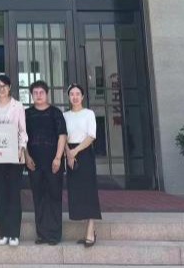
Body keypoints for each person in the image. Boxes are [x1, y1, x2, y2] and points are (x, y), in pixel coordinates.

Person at [23, 80, 67, 246]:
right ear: (31, 95)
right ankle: (41, 234)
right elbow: (22, 138)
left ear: (47, 94)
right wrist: (27, 157)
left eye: (41, 92)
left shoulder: (55, 113)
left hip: (53, 161)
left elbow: (62, 135)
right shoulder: (27, 114)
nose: (38, 95)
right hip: (34, 162)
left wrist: (58, 157)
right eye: (35, 93)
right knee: (38, 197)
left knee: (54, 196)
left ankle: (54, 235)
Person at [0, 74, 27, 247]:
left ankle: (14, 234)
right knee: (1, 195)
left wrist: (21, 149)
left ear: (9, 88)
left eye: (4, 86)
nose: (1, 89)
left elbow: (23, 131)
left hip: (15, 156)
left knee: (14, 194)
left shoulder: (18, 106)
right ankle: (4, 233)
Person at [64, 83, 102, 247]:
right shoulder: (65, 115)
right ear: (68, 97)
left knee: (89, 191)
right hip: (70, 154)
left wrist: (75, 151)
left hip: (84, 153)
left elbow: (91, 136)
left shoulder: (89, 113)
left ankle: (90, 230)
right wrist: (68, 153)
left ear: (83, 96)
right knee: (76, 191)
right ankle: (87, 228)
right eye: (72, 94)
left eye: (77, 94)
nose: (75, 97)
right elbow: (63, 137)